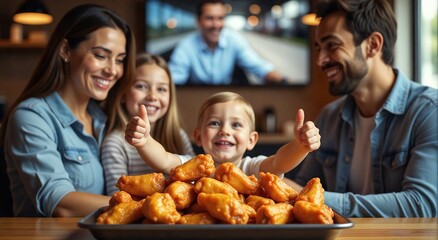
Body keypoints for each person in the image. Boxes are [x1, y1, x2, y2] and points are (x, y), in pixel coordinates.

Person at [294, 0, 438, 217]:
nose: (320, 60)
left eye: (332, 45)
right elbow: (299, 189)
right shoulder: (329, 117)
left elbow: (422, 205)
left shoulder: (428, 112)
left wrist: (318, 199)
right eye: (318, 48)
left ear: (372, 45)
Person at [0, 4, 136, 217]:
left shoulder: (105, 119)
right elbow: (59, 202)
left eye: (119, 60)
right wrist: (142, 205)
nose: (112, 70)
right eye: (101, 55)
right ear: (65, 50)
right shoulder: (30, 117)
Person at [125, 91, 320, 178]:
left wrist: (299, 146)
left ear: (252, 140)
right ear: (198, 136)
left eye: (236, 124)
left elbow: (279, 163)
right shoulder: (190, 166)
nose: (224, 130)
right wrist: (144, 141)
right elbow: (163, 160)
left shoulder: (251, 167)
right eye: (214, 123)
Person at [102, 53, 194, 196]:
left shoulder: (178, 135)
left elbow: (194, 177)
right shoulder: (115, 143)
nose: (152, 96)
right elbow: (116, 196)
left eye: (161, 89)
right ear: (123, 94)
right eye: (141, 86)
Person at [168, 0, 286, 85]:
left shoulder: (234, 40)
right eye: (210, 18)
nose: (216, 25)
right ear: (198, 21)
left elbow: (259, 67)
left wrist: (283, 81)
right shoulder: (186, 46)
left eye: (220, 18)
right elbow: (174, 79)